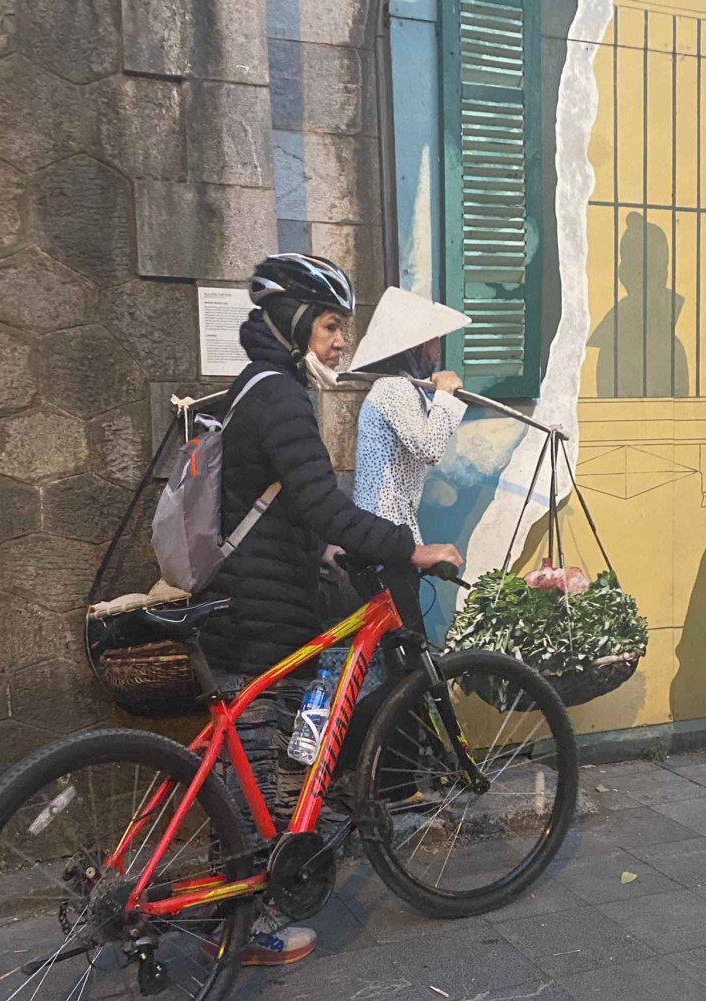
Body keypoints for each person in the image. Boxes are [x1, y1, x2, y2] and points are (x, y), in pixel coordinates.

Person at [198, 253, 462, 966]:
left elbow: (291, 503)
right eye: (328, 325)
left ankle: (232, 909)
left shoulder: (260, 385)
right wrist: (407, 547)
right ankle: (240, 926)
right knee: (257, 771)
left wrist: (332, 549)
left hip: (252, 597)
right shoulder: (281, 395)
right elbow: (319, 499)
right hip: (258, 609)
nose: (342, 341)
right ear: (292, 325)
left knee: (254, 764)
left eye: (342, 327)